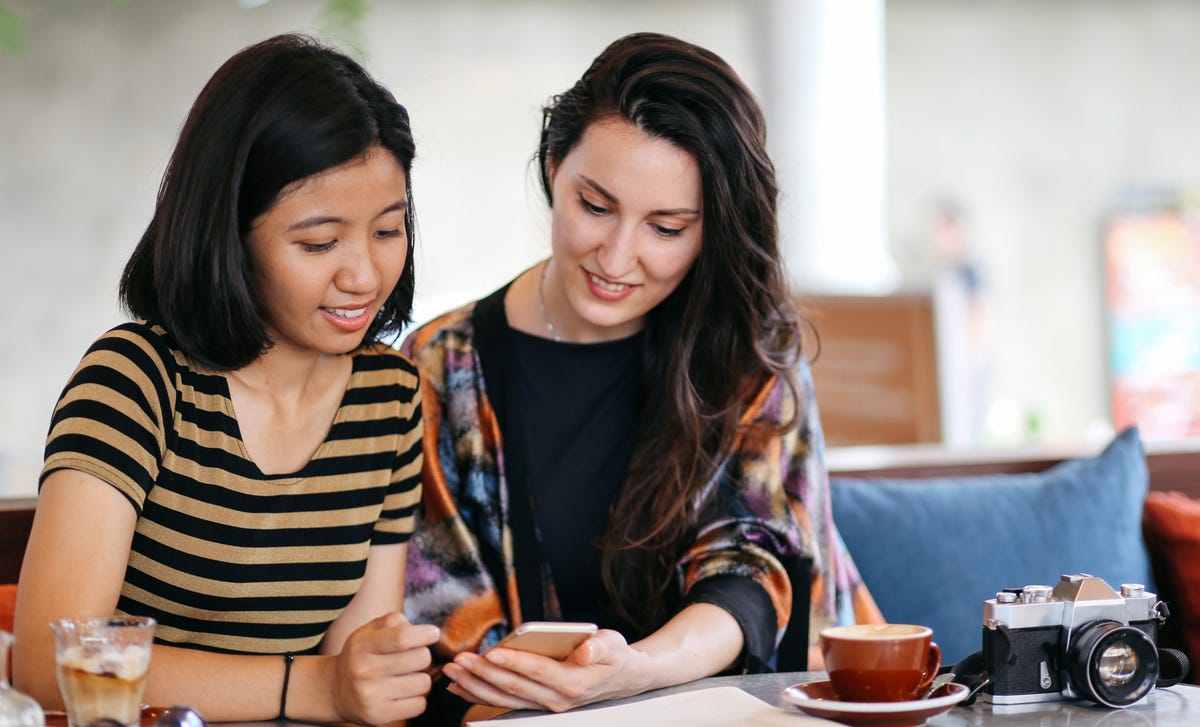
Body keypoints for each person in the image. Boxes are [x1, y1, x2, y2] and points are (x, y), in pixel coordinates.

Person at [401, 31, 882, 722]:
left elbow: (755, 568)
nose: (618, 257)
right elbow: (441, 624)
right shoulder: (440, 370)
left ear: (710, 228)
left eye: (666, 226)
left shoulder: (750, 351)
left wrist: (634, 673)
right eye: (595, 207)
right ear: (553, 166)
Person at [14, 34, 439, 725]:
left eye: (388, 231)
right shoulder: (138, 381)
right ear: (229, 234)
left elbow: (361, 668)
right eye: (318, 243)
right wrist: (313, 687)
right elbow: (48, 661)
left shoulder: (387, 397)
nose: (363, 275)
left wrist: (369, 680)